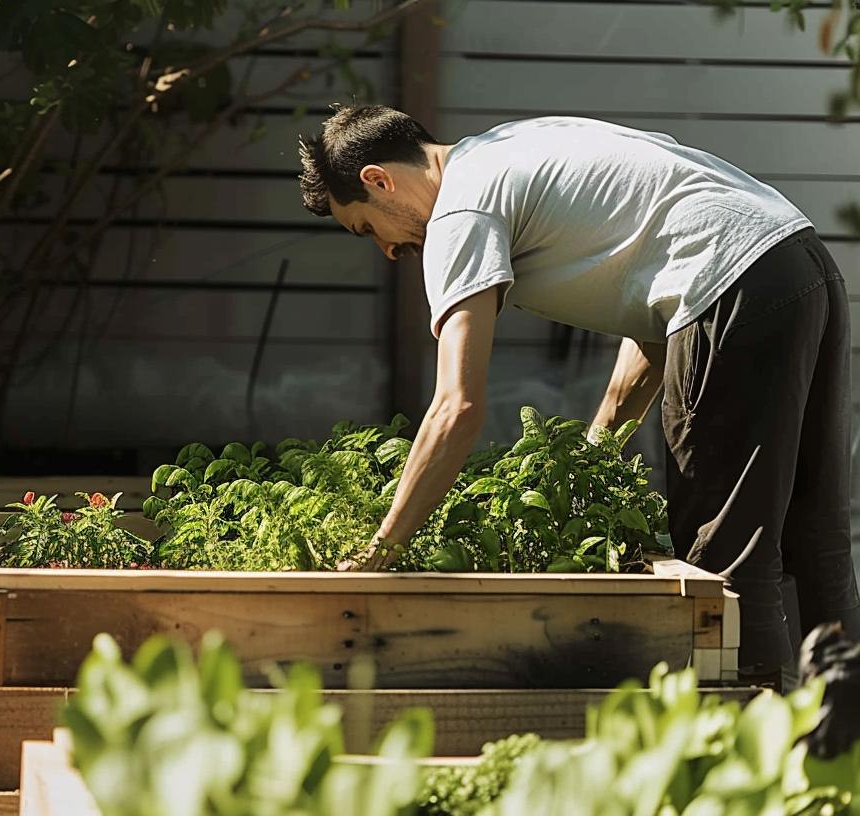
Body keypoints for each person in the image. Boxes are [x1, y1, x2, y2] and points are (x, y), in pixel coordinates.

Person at [297, 105, 860, 685]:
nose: (388, 250)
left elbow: (456, 407)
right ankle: (845, 745)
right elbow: (656, 298)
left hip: (729, 285)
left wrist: (380, 550)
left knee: (727, 554)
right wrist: (593, 451)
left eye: (367, 227)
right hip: (797, 258)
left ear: (377, 179)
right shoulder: (514, 146)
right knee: (817, 538)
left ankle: (747, 756)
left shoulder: (460, 209)